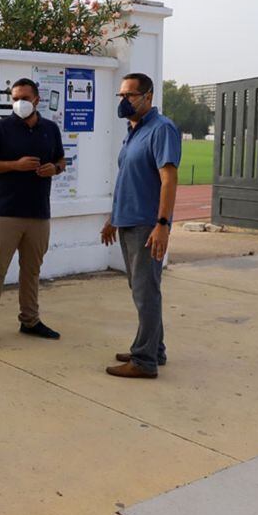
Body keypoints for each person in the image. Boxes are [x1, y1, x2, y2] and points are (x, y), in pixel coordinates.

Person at [101, 73, 181, 379]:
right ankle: (154, 349)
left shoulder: (161, 129)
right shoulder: (133, 130)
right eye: (121, 96)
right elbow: (129, 180)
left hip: (147, 225)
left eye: (129, 96)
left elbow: (168, 178)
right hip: (128, 221)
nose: (124, 101)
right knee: (142, 288)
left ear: (148, 97)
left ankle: (144, 360)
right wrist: (113, 218)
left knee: (146, 292)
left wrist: (162, 224)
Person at [0, 77, 66, 346]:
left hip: (38, 213)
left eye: (24, 98)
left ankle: (30, 320)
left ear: (37, 99)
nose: (19, 103)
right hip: (5, 212)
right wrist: (16, 165)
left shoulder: (50, 129)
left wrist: (56, 169)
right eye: (15, 98)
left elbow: (61, 160)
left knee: (32, 270)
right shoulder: (1, 128)